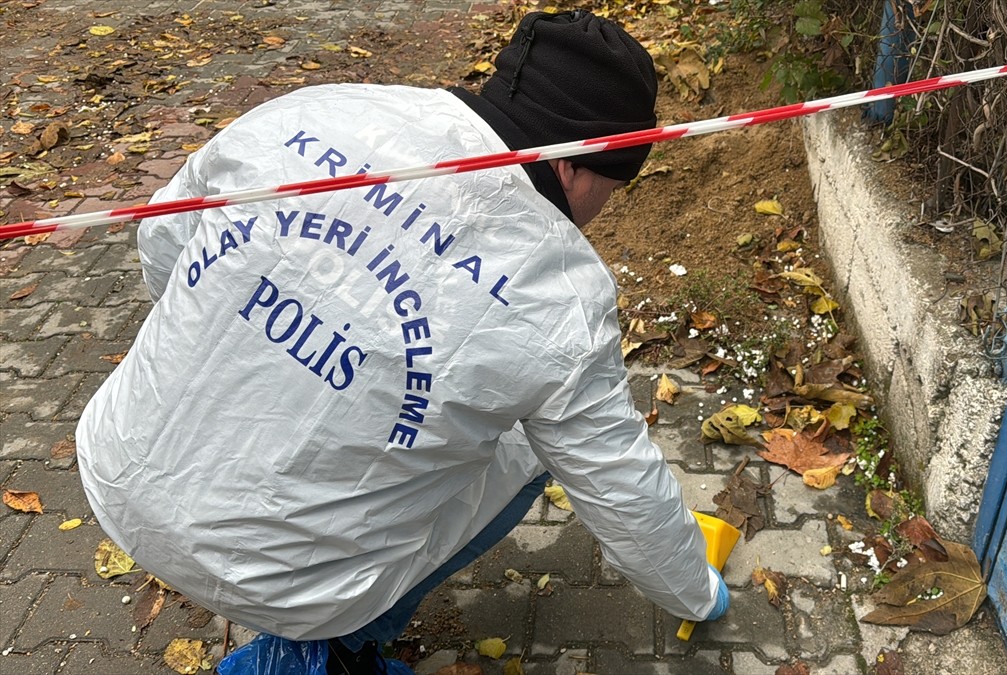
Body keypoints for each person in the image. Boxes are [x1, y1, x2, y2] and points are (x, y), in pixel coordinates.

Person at [76, 10, 728, 674]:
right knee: (536, 442)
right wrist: (697, 591)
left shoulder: (319, 110)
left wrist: (243, 343)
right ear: (575, 170)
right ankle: (335, 651)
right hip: (285, 585)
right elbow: (620, 487)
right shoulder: (564, 293)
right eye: (614, 191)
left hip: (120, 463)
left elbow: (162, 240)